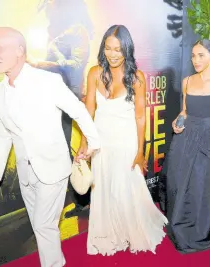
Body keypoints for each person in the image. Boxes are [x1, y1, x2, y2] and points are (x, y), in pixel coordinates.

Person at [0, 27, 100, 267]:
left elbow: (78, 111)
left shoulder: (47, 81)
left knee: (44, 226)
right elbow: (1, 137)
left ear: (19, 51)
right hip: (26, 173)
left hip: (53, 168)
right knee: (40, 226)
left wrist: (93, 143)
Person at [77, 25, 167, 256]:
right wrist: (84, 143)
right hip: (101, 143)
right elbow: (88, 111)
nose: (113, 54)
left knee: (124, 189)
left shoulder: (136, 77)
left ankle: (130, 229)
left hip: (126, 143)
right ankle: (108, 232)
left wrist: (140, 152)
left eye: (118, 49)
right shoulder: (95, 73)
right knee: (104, 188)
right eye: (108, 48)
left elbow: (140, 117)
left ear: (127, 49)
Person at [165, 39, 210, 253]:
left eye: (201, 55)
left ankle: (201, 230)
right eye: (193, 55)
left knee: (202, 186)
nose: (196, 60)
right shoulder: (187, 81)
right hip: (186, 139)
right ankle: (180, 226)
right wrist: (177, 122)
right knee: (180, 183)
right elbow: (185, 112)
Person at [30, 0, 94, 217]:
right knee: (57, 147)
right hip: (51, 97)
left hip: (68, 96)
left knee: (66, 147)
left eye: (52, 5)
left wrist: (41, 64)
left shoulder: (77, 30)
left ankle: (82, 199)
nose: (49, 9)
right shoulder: (58, 30)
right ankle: (76, 200)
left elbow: (75, 64)